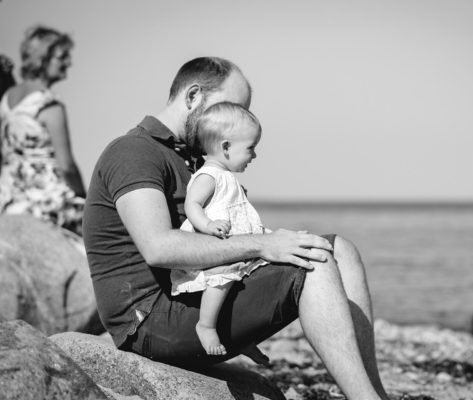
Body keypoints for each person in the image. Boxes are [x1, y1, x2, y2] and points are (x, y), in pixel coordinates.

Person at [83, 57, 389, 400]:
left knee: (337, 248)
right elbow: (159, 248)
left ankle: (374, 393)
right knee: (313, 264)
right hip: (151, 321)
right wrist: (261, 245)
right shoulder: (134, 152)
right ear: (194, 95)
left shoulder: (194, 159)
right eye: (229, 107)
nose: (235, 122)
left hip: (195, 299)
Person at [170, 102, 268, 356]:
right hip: (215, 245)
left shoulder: (226, 176)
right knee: (222, 279)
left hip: (234, 243)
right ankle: (206, 325)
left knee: (242, 285)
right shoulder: (208, 175)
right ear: (225, 147)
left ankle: (239, 337)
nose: (255, 155)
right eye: (250, 148)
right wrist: (208, 225)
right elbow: (193, 204)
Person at [0, 26, 85, 235]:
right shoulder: (49, 105)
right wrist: (85, 197)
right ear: (44, 58)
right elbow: (67, 166)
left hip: (9, 198)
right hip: (45, 200)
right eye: (62, 57)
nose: (69, 63)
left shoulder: (6, 99)